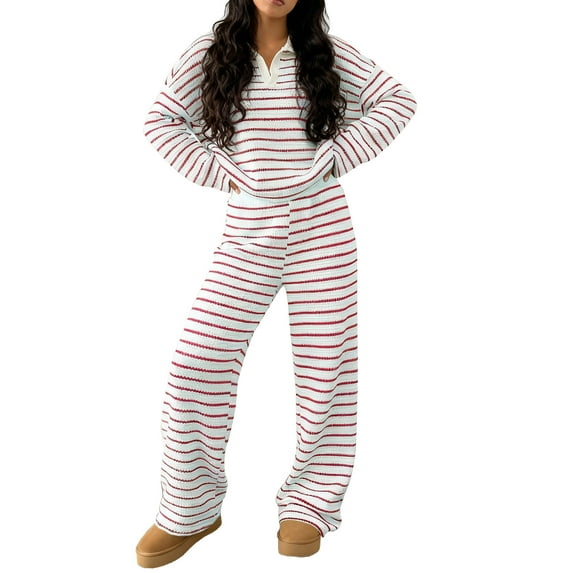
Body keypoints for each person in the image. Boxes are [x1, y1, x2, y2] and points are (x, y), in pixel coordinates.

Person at [135, 0, 417, 566]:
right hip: (247, 235)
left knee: (326, 369)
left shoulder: (325, 53)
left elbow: (398, 100)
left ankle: (311, 503)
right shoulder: (211, 54)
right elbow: (160, 123)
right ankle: (191, 507)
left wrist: (334, 156)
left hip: (323, 229)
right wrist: (224, 173)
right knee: (195, 364)